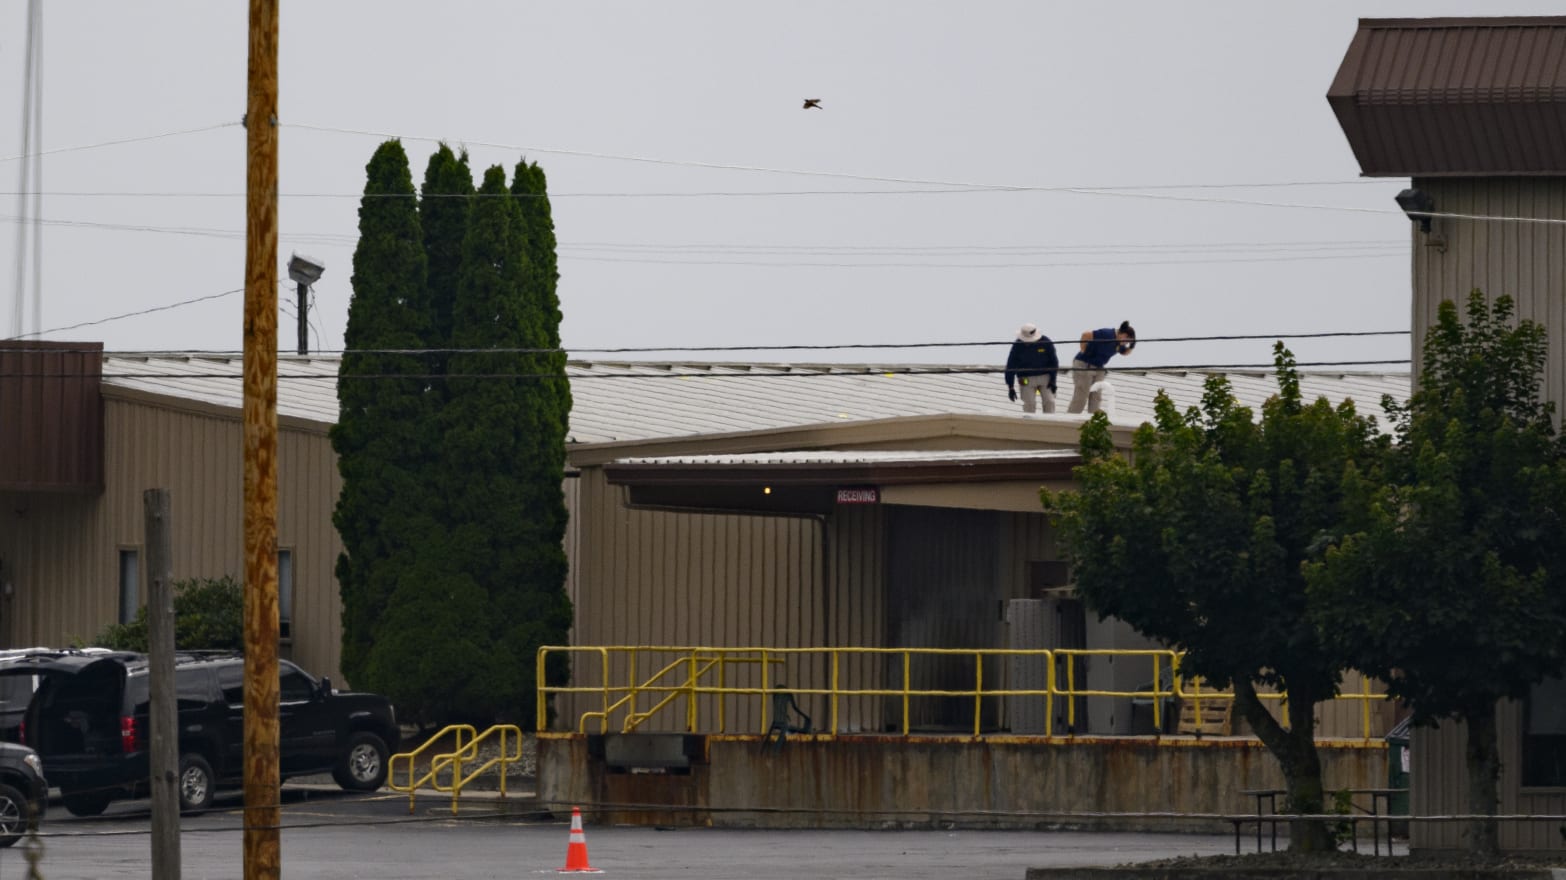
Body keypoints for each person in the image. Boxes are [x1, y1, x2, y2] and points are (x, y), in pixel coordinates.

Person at [1067, 321, 1136, 414]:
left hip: (1099, 368)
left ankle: (1094, 420)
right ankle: (1071, 418)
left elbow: (1124, 353)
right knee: (1082, 396)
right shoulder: (1107, 334)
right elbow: (1086, 335)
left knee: (1096, 396)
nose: (1126, 343)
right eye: (1127, 340)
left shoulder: (1119, 344)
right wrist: (1083, 350)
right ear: (1122, 334)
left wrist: (1132, 346)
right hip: (1084, 364)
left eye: (1128, 342)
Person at [1004, 323, 1059, 414]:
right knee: (1029, 404)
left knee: (1050, 401)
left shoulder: (1046, 342)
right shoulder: (1017, 346)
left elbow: (1054, 362)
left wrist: (1053, 379)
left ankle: (1049, 423)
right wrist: (1010, 387)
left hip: (1046, 377)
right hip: (1025, 378)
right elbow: (1010, 366)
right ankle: (1029, 425)